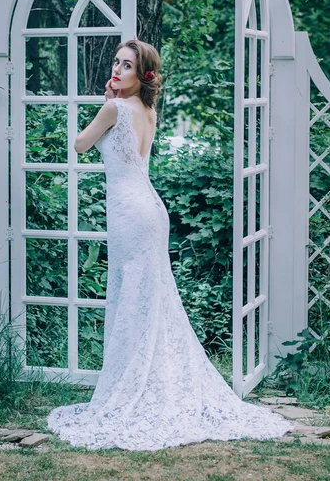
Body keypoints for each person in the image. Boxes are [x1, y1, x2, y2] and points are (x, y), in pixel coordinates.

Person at [47, 38, 294, 451]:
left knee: (134, 299)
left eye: (126, 66)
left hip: (131, 213)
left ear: (141, 75)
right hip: (148, 209)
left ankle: (134, 384)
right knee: (150, 299)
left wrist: (105, 101)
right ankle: (146, 377)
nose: (117, 69)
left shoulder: (114, 108)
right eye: (116, 62)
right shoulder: (148, 110)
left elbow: (80, 144)